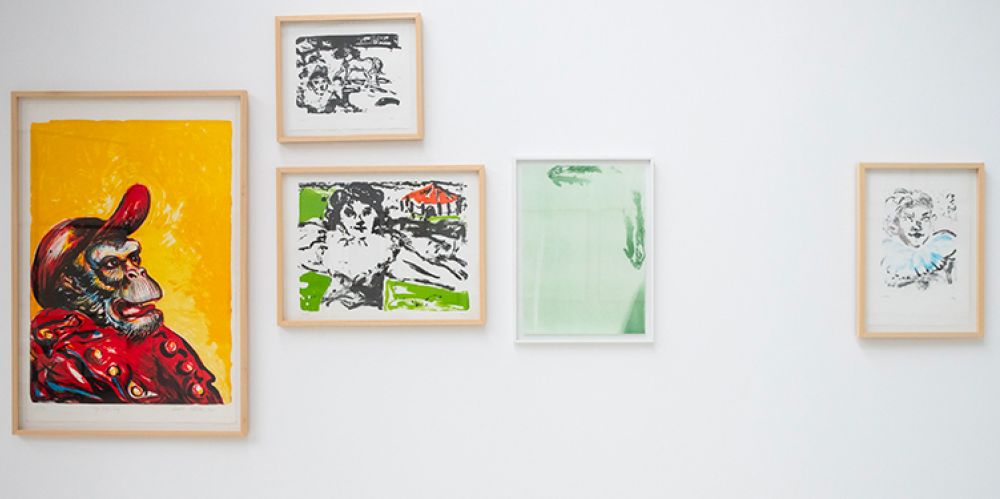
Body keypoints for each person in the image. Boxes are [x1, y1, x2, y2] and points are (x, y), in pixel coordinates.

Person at [30, 185, 222, 404]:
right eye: (112, 264)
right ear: (70, 284)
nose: (137, 271)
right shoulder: (60, 361)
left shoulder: (153, 341)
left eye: (134, 258)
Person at [298, 183, 467, 310]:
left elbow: (429, 273)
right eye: (350, 213)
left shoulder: (383, 249)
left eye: (366, 213)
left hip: (370, 316)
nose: (359, 220)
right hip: (330, 313)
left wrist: (457, 280)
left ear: (376, 216)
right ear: (339, 218)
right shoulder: (331, 245)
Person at [880, 188, 956, 289]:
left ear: (932, 220)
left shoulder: (943, 251)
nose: (917, 227)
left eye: (925, 219)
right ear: (896, 222)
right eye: (908, 219)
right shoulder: (890, 257)